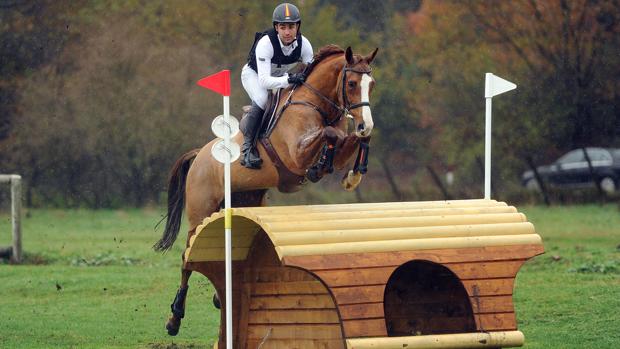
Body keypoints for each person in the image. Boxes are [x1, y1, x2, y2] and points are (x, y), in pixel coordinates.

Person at [240, 2, 314, 169]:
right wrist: (289, 79)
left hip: (282, 79)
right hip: (255, 75)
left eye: (291, 27)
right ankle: (247, 149)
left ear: (298, 27)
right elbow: (264, 81)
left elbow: (311, 73)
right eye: (282, 27)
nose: (287, 32)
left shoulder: (305, 45)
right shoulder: (266, 44)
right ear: (276, 28)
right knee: (262, 98)